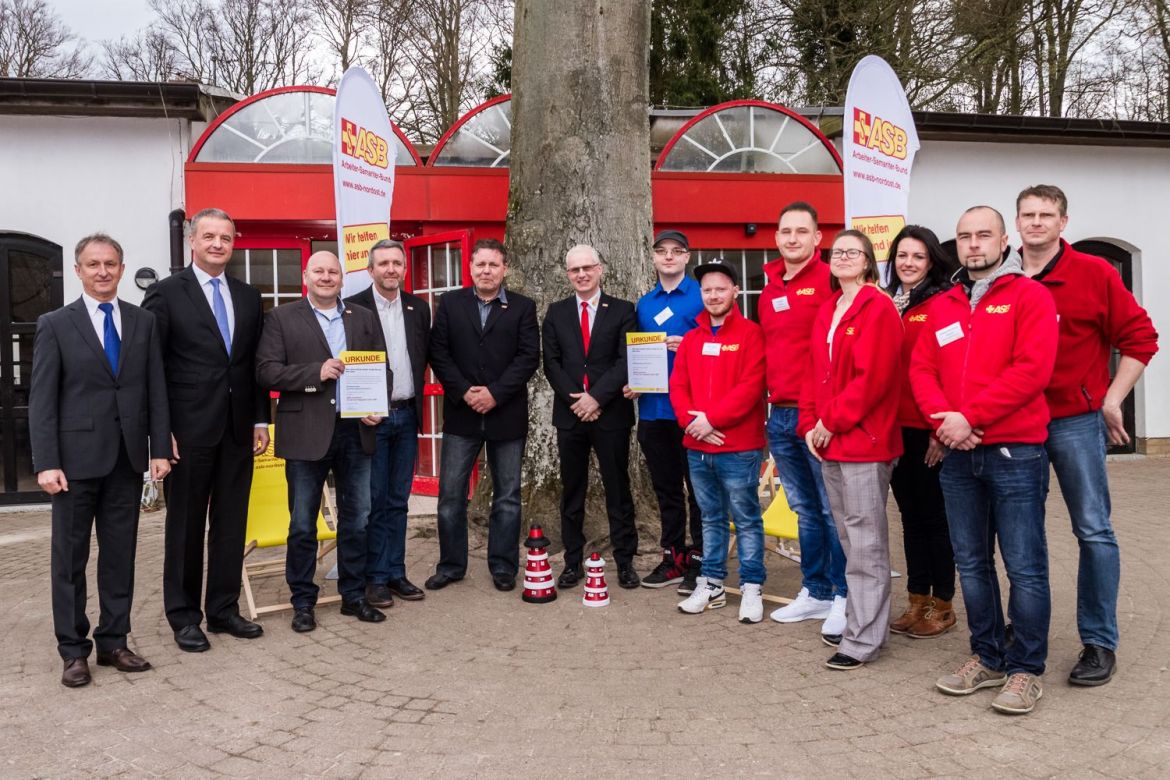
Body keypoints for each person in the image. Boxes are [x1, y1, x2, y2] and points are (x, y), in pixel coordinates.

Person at [911, 206, 1058, 715]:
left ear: (1004, 240)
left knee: (1025, 566)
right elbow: (921, 370)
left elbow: (1031, 371)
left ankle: (1025, 669)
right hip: (957, 455)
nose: (974, 244)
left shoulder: (1031, 296)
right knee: (972, 564)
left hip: (1015, 451)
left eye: (983, 235)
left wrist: (968, 417)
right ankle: (988, 656)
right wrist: (945, 420)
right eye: (964, 237)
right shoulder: (943, 305)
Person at [1016, 184, 1159, 686]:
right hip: (1016, 424)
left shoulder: (1093, 274)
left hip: (1076, 422)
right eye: (1028, 215)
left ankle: (1098, 640)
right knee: (1021, 535)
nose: (1036, 223)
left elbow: (1141, 338)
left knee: (1094, 530)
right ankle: (1026, 631)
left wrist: (1112, 398)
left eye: (1045, 215)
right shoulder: (1005, 278)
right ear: (1017, 223)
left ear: (1063, 222)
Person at [30, 233, 171, 687]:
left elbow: (155, 389)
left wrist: (159, 450)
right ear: (78, 270)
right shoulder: (55, 323)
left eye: (111, 263)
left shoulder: (141, 322)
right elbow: (42, 400)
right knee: (69, 561)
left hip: (127, 461)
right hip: (72, 465)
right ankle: (73, 651)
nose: (103, 271)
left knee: (119, 557)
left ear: (122, 268)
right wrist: (46, 461)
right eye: (94, 264)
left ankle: (114, 641)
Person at [142, 208, 269, 654]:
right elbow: (150, 368)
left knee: (231, 525)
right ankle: (183, 616)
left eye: (226, 238)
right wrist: (161, 432)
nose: (218, 244)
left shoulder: (248, 296)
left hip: (237, 430)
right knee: (185, 527)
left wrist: (259, 419)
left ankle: (223, 609)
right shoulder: (165, 294)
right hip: (187, 432)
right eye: (209, 236)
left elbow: (250, 366)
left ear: (235, 243)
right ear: (192, 241)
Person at [255, 251, 390, 632]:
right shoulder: (281, 318)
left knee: (358, 519)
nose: (327, 277)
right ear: (306, 276)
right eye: (320, 271)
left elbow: (382, 367)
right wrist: (316, 371)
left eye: (333, 271)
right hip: (305, 434)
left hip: (355, 431)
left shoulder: (362, 318)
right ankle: (302, 602)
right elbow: (266, 371)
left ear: (342, 278)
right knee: (301, 524)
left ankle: (353, 596)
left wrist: (377, 406)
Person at [800, 230, 903, 670]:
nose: (843, 257)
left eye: (852, 252)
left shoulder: (877, 307)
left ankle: (862, 640)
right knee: (849, 539)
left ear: (867, 261)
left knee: (866, 544)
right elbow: (813, 374)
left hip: (863, 439)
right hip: (829, 441)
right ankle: (862, 621)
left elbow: (873, 379)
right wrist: (809, 424)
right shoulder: (828, 309)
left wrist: (830, 422)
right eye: (837, 252)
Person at [426, 238, 540, 592]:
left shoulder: (522, 307)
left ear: (504, 269)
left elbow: (528, 357)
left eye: (493, 265)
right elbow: (438, 352)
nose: (486, 271)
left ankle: (503, 566)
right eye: (480, 265)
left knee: (507, 495)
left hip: (506, 414)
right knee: (450, 495)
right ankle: (451, 565)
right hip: (462, 413)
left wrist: (495, 393)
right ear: (470, 268)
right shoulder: (450, 304)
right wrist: (464, 390)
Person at [759, 202, 848, 641]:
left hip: (818, 416)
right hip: (779, 416)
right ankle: (815, 590)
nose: (792, 238)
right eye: (785, 231)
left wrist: (825, 414)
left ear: (817, 238)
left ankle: (844, 597)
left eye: (801, 231)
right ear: (777, 238)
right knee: (805, 511)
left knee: (833, 511)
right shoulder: (768, 283)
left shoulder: (831, 280)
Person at [671, 259, 768, 623]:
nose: (713, 295)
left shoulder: (751, 334)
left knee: (746, 519)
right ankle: (710, 583)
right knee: (710, 518)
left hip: (738, 446)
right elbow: (678, 386)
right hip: (698, 447)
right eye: (707, 290)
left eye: (720, 289)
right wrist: (692, 424)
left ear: (735, 292)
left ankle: (752, 587)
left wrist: (710, 420)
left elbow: (750, 388)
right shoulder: (692, 339)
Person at [543, 245, 640, 589]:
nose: (581, 274)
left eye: (587, 267)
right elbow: (550, 363)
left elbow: (625, 359)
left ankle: (626, 561)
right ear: (567, 274)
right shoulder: (555, 313)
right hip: (570, 416)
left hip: (610, 413)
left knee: (618, 489)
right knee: (573, 491)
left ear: (600, 269)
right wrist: (578, 401)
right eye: (574, 270)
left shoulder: (624, 310)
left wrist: (596, 398)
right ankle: (572, 562)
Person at [345, 239, 431, 607]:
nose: (391, 269)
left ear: (404, 268)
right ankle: (375, 578)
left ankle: (396, 572)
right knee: (374, 501)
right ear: (371, 269)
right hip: (372, 419)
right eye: (384, 263)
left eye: (397, 262)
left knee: (399, 500)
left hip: (407, 414)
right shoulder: (353, 308)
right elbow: (344, 361)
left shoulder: (418, 308)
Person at [883, 226, 959, 639]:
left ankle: (943, 604)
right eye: (902, 256)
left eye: (917, 256)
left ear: (931, 261)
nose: (908, 263)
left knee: (936, 519)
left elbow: (949, 367)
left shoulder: (944, 303)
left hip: (929, 429)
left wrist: (939, 428)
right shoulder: (891, 302)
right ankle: (917, 600)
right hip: (895, 428)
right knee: (910, 518)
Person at [622, 230, 704, 593]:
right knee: (666, 490)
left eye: (677, 252)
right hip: (654, 411)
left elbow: (721, 343)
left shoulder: (703, 296)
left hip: (693, 411)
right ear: (653, 259)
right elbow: (639, 354)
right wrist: (633, 382)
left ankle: (701, 560)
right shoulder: (644, 304)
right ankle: (673, 556)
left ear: (687, 257)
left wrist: (688, 345)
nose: (669, 257)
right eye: (662, 252)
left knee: (698, 492)